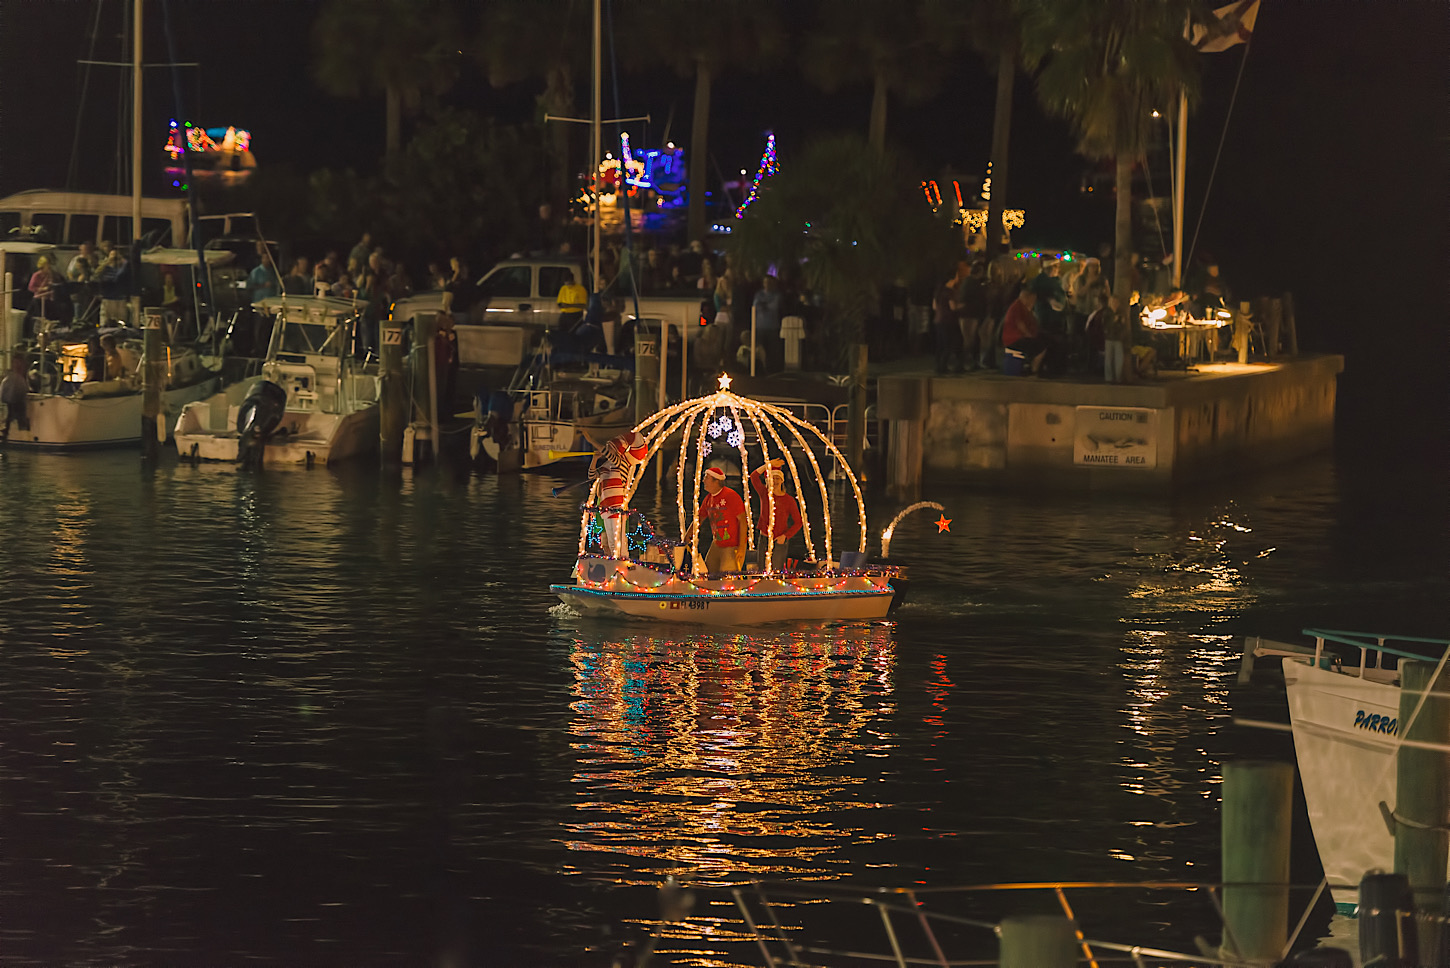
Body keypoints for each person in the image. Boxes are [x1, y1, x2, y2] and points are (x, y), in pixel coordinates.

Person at [588, 430, 651, 557]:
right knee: (612, 543)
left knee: (618, 543)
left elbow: (609, 454)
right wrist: (594, 459)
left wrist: (589, 439)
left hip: (616, 506)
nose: (609, 451)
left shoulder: (622, 461)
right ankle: (614, 567)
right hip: (606, 506)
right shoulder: (606, 465)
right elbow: (591, 475)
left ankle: (622, 565)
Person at [748, 458, 802, 572]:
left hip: (779, 540)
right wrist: (768, 464)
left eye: (777, 478)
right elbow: (753, 476)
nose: (775, 481)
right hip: (764, 538)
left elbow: (798, 522)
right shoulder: (764, 494)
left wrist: (785, 536)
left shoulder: (789, 500)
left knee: (775, 570)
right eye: (772, 478)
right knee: (762, 569)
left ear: (782, 480)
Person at [697, 466, 747, 574]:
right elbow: (699, 518)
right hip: (716, 543)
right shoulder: (708, 499)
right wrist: (687, 538)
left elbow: (743, 521)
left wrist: (742, 547)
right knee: (707, 573)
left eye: (707, 478)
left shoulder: (731, 496)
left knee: (727, 577)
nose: (703, 480)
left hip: (731, 545)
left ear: (716, 481)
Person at [1000, 286, 1047, 375]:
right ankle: (1034, 370)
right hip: (1014, 339)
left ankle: (1035, 367)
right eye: (1033, 299)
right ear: (1027, 298)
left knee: (1044, 340)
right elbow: (1021, 325)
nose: (1034, 302)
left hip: (1019, 337)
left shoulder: (1024, 308)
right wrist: (1030, 336)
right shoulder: (1018, 307)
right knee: (1040, 347)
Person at [931, 263, 965, 374]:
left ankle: (938, 366)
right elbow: (953, 307)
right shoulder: (949, 292)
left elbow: (934, 306)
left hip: (938, 320)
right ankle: (944, 366)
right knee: (949, 344)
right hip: (949, 321)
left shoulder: (938, 291)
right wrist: (962, 306)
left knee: (940, 345)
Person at [955, 260, 988, 370]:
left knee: (971, 339)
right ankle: (962, 363)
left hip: (972, 314)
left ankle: (970, 362)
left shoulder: (971, 282)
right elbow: (964, 299)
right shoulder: (970, 283)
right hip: (969, 314)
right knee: (968, 339)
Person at [751, 274, 783, 373]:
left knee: (773, 352)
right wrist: (765, 305)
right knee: (760, 350)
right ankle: (761, 371)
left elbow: (774, 306)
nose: (767, 284)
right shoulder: (758, 294)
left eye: (769, 282)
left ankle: (773, 371)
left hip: (772, 327)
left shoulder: (777, 295)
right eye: (765, 282)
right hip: (760, 326)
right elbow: (756, 306)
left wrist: (763, 304)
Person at [97, 248, 131, 326]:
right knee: (105, 320)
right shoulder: (105, 269)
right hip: (108, 298)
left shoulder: (123, 269)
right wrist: (107, 263)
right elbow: (97, 275)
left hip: (120, 298)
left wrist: (122, 261)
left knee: (121, 320)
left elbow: (120, 277)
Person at [1102, 293, 1130, 384]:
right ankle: (1109, 378)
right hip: (1109, 338)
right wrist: (1113, 321)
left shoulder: (1121, 313)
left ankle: (1118, 377)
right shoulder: (1107, 313)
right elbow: (1105, 325)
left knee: (1119, 359)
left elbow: (1123, 326)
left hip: (1118, 338)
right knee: (1109, 359)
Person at [1, 353, 28, 442]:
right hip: (13, 398)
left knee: (14, 414)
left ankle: (11, 431)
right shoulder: (14, 378)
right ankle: (13, 431)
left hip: (15, 398)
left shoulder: (15, 378)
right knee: (13, 414)